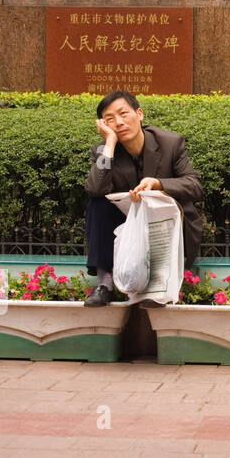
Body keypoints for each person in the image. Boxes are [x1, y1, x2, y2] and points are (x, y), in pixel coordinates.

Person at [83, 91, 205, 307]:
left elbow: (194, 185)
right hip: (129, 224)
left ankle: (162, 283)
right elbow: (95, 188)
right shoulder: (103, 150)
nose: (119, 123)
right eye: (110, 119)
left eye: (124, 114)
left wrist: (159, 184)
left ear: (139, 114)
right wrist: (110, 143)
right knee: (97, 202)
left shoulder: (170, 143)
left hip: (165, 224)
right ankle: (105, 283)